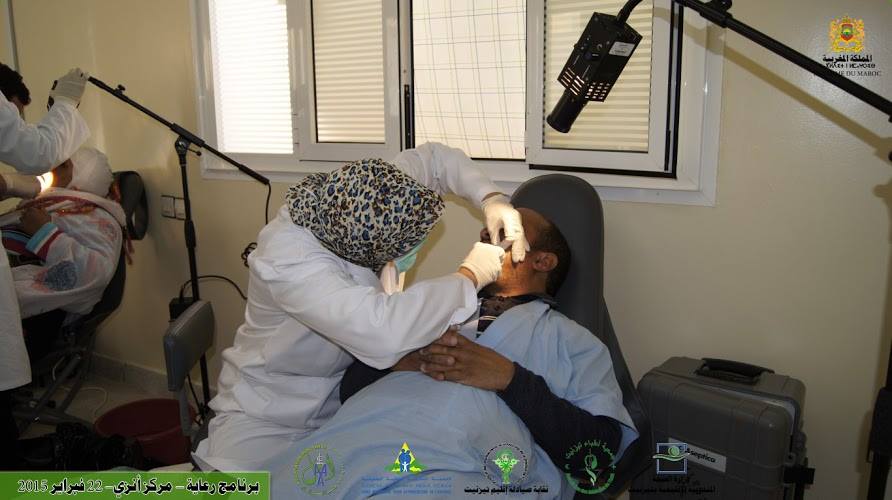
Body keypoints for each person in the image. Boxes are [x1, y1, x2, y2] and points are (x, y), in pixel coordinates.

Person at [194, 143, 530, 471]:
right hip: (267, 413)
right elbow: (381, 330)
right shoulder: (291, 260)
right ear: (364, 249)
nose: (407, 257)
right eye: (399, 250)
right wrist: (469, 276)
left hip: (342, 403)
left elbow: (437, 161)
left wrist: (491, 198)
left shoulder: (373, 193)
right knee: (239, 491)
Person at [262, 208, 638, 498]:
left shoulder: (574, 341)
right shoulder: (434, 306)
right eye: (485, 232)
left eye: (504, 233)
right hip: (355, 442)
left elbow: (597, 454)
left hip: (458, 467)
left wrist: (510, 379)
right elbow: (350, 391)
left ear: (542, 261)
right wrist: (399, 362)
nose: (485, 237)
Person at [0, 64, 90, 470]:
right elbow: (37, 151)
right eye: (15, 115)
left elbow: (87, 271)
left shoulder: (96, 215)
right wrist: (66, 103)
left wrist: (25, 189)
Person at [1, 147, 124, 353]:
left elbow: (93, 273)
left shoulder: (96, 219)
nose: (50, 166)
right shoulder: (45, 204)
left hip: (38, 318)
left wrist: (45, 233)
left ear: (82, 175)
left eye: (62, 163)